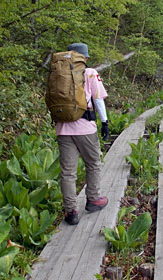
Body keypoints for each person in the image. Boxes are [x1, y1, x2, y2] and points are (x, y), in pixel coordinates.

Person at [56, 42, 110, 225]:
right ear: (84, 58)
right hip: (85, 127)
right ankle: (93, 199)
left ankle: (70, 211)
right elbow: (98, 100)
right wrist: (105, 122)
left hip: (63, 129)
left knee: (67, 172)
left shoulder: (59, 72)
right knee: (93, 163)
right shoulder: (90, 72)